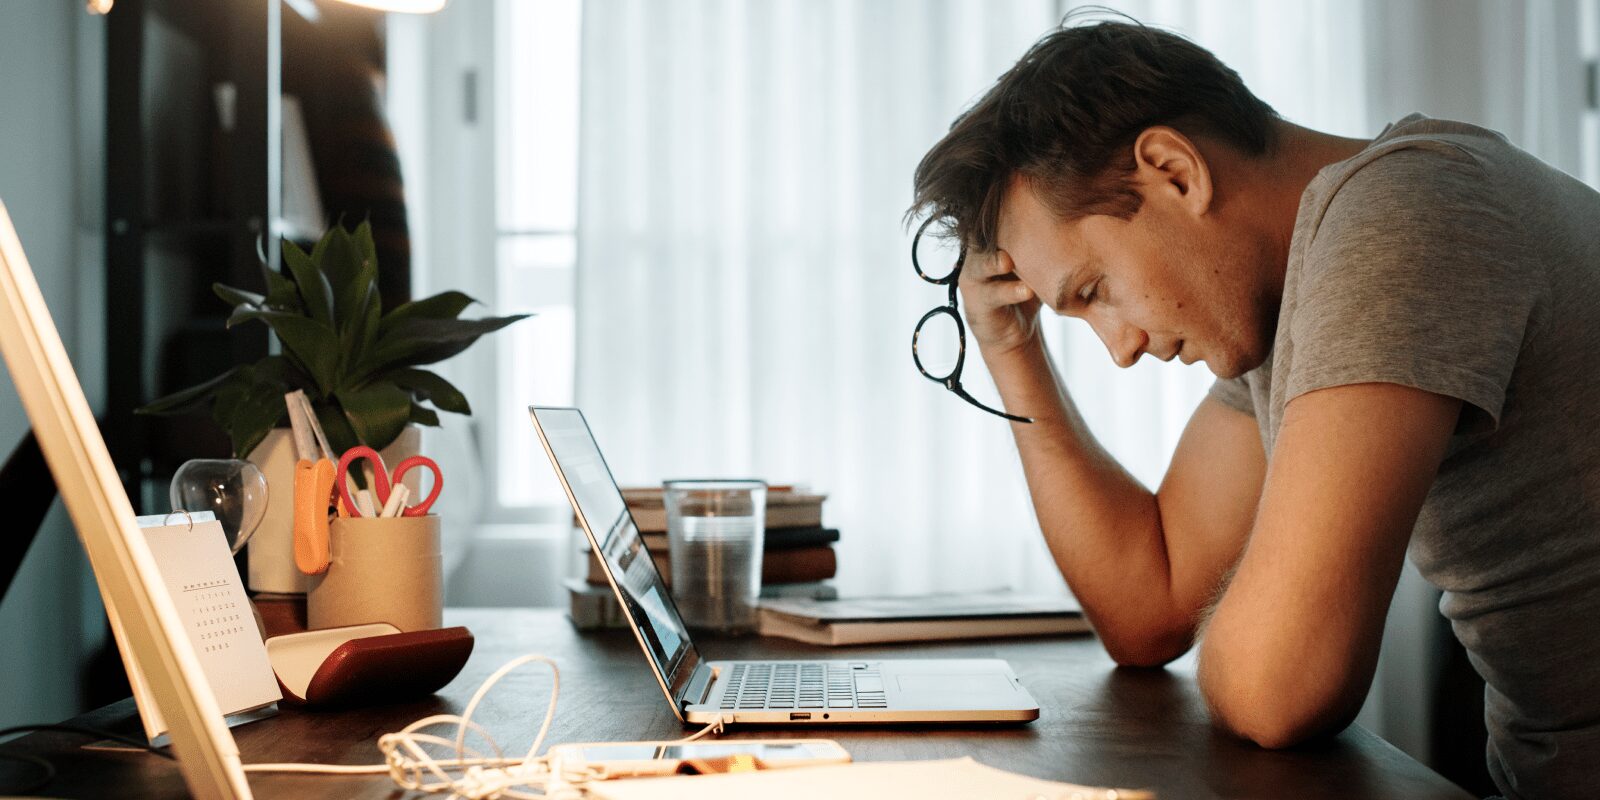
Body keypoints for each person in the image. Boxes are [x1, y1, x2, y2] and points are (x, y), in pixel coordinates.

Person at [908, 18, 1600, 800]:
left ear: (1173, 171)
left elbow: (1283, 685)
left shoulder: (1406, 215)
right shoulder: (1288, 297)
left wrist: (1261, 624)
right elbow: (1151, 607)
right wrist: (1009, 349)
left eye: (1095, 290)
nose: (1121, 347)